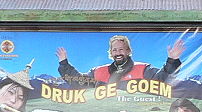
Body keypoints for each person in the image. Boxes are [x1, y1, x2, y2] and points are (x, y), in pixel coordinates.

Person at [55, 32, 187, 87]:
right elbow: (79, 82)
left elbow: (161, 80)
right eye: (114, 50)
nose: (118, 53)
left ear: (128, 51)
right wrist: (64, 64)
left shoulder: (143, 69)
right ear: (111, 53)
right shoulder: (98, 71)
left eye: (121, 49)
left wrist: (172, 60)